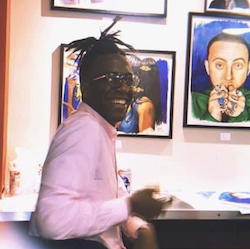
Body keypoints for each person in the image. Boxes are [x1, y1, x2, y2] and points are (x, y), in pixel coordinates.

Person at [29, 16, 163, 249]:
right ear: (87, 87)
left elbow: (111, 196)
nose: (122, 87)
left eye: (127, 79)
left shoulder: (101, 129)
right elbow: (51, 220)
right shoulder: (84, 130)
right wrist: (131, 205)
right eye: (112, 79)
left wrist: (138, 225)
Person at [192, 32, 250, 122]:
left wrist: (240, 117)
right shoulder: (193, 101)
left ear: (248, 68)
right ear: (208, 67)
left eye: (238, 65)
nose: (228, 76)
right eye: (219, 65)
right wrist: (213, 116)